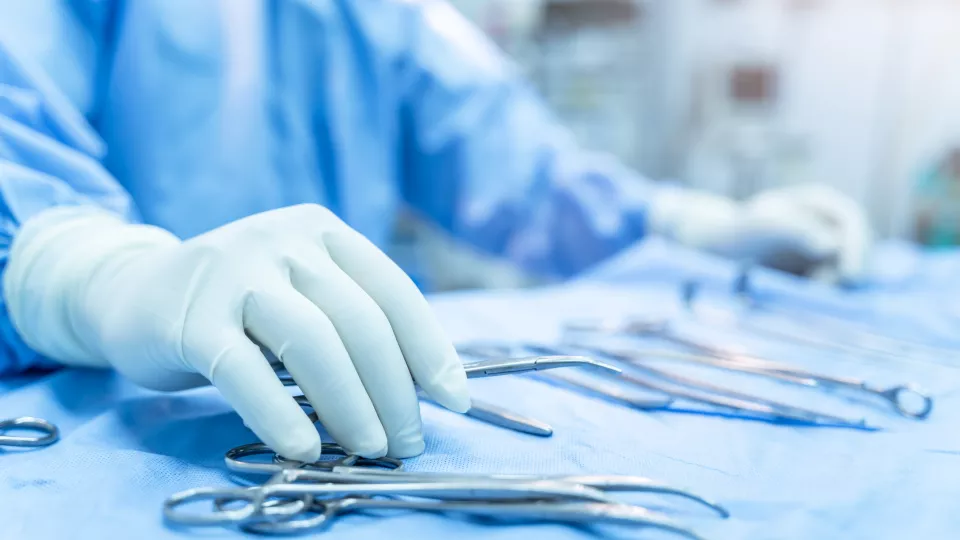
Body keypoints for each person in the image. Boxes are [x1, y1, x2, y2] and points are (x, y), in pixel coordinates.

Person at [0, 0, 871, 462]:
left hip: (332, 401)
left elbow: (516, 169)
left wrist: (684, 220)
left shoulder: (386, 15)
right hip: (97, 401)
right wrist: (81, 276)